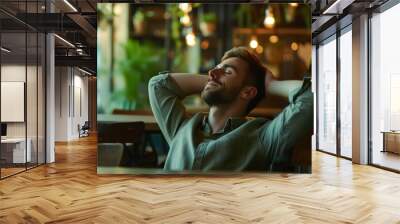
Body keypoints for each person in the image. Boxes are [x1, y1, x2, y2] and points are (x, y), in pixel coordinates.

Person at [148, 47, 313, 172]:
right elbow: (158, 85)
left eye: (227, 71)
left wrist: (270, 85)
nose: (212, 72)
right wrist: (215, 80)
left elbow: (312, 96)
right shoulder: (181, 127)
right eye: (216, 68)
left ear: (247, 92)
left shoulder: (263, 137)